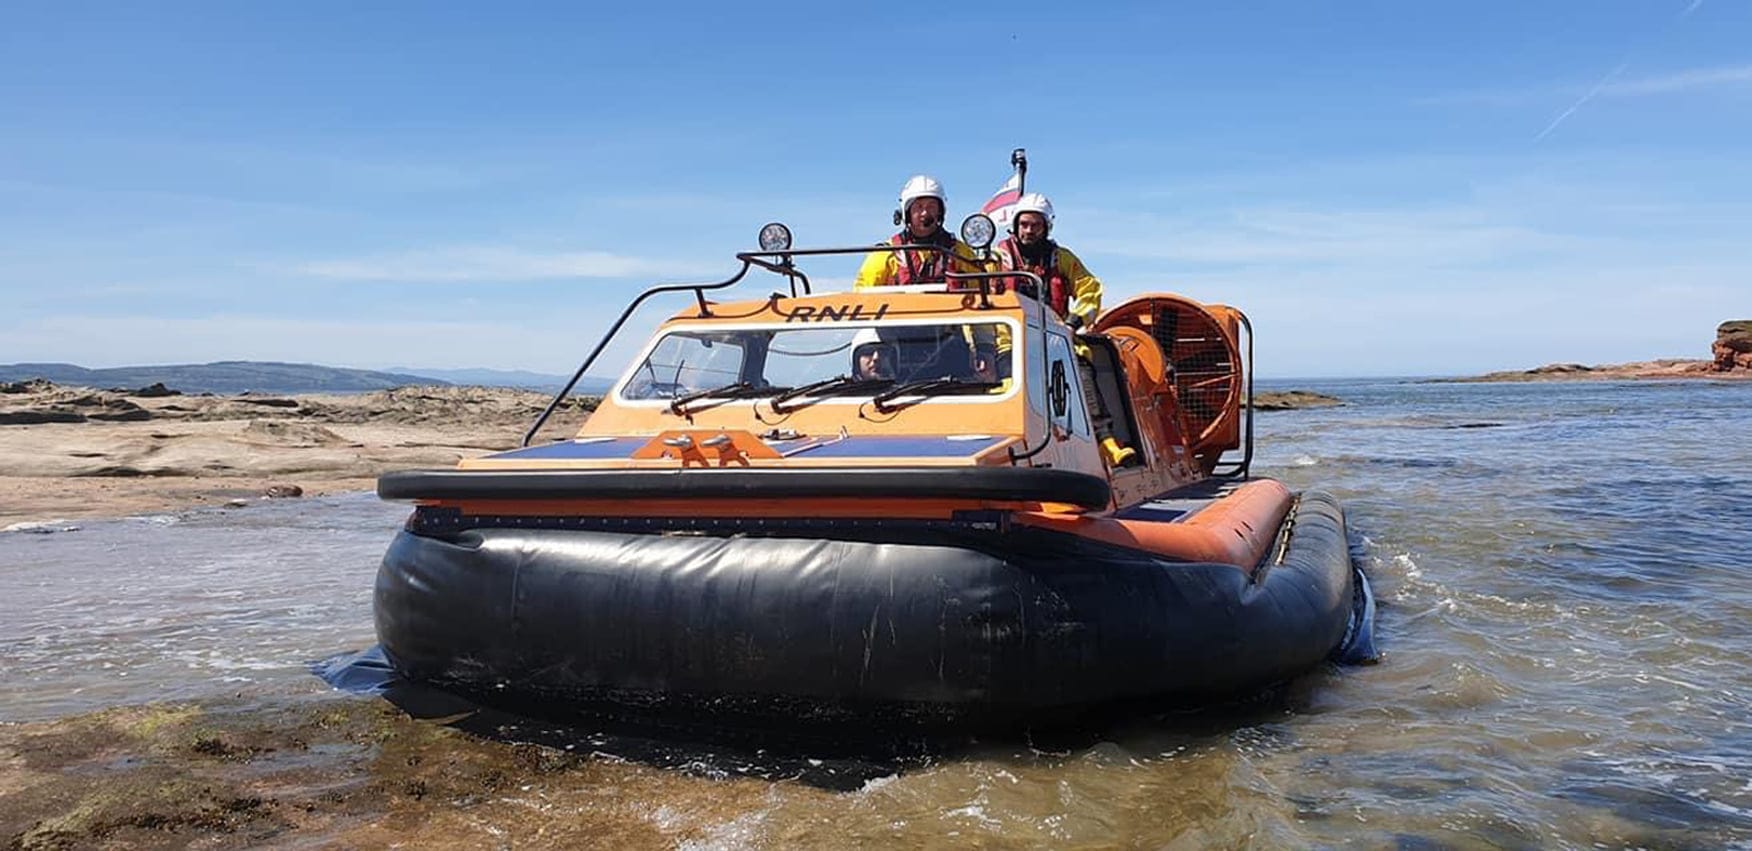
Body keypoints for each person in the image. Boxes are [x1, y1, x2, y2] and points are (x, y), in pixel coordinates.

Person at [992, 193, 1103, 328]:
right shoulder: (996, 258)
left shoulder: (1062, 258)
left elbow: (1090, 289)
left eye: (1036, 225)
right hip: (1007, 337)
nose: (1029, 231)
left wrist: (1072, 324)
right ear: (1015, 225)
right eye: (1024, 224)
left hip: (1052, 335)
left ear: (1046, 227)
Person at [853, 175, 981, 288]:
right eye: (918, 207)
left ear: (940, 211)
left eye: (931, 206)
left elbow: (984, 290)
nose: (924, 213)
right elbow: (861, 295)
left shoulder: (960, 253)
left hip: (952, 309)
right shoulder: (885, 255)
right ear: (907, 212)